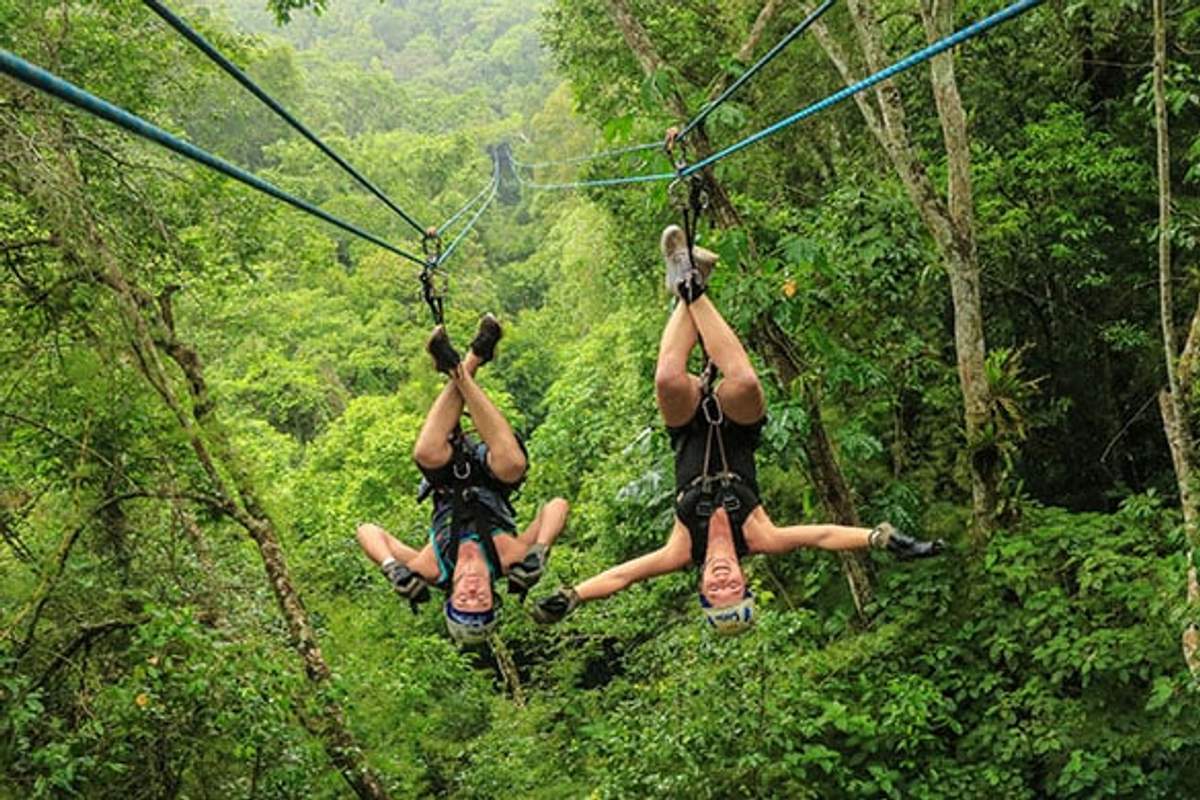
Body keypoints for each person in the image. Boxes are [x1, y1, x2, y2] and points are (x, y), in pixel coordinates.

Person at [532, 227, 942, 634]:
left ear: (702, 588)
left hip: (688, 431)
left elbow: (623, 576)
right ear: (745, 583)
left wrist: (573, 596)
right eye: (733, 589)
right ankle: (690, 284)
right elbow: (822, 535)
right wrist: (880, 539)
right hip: (739, 428)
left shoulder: (681, 549)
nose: (723, 581)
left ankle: (689, 283)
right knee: (743, 383)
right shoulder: (760, 537)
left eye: (716, 591)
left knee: (667, 380)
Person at [356, 314, 569, 644]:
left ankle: (466, 362)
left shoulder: (431, 567)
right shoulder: (509, 559)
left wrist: (390, 566)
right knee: (513, 464)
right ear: (493, 597)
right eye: (481, 601)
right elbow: (557, 506)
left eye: (464, 602)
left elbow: (367, 530)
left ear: (451, 597)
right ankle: (468, 362)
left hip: (447, 480)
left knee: (426, 452)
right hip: (493, 476)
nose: (472, 593)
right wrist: (541, 549)